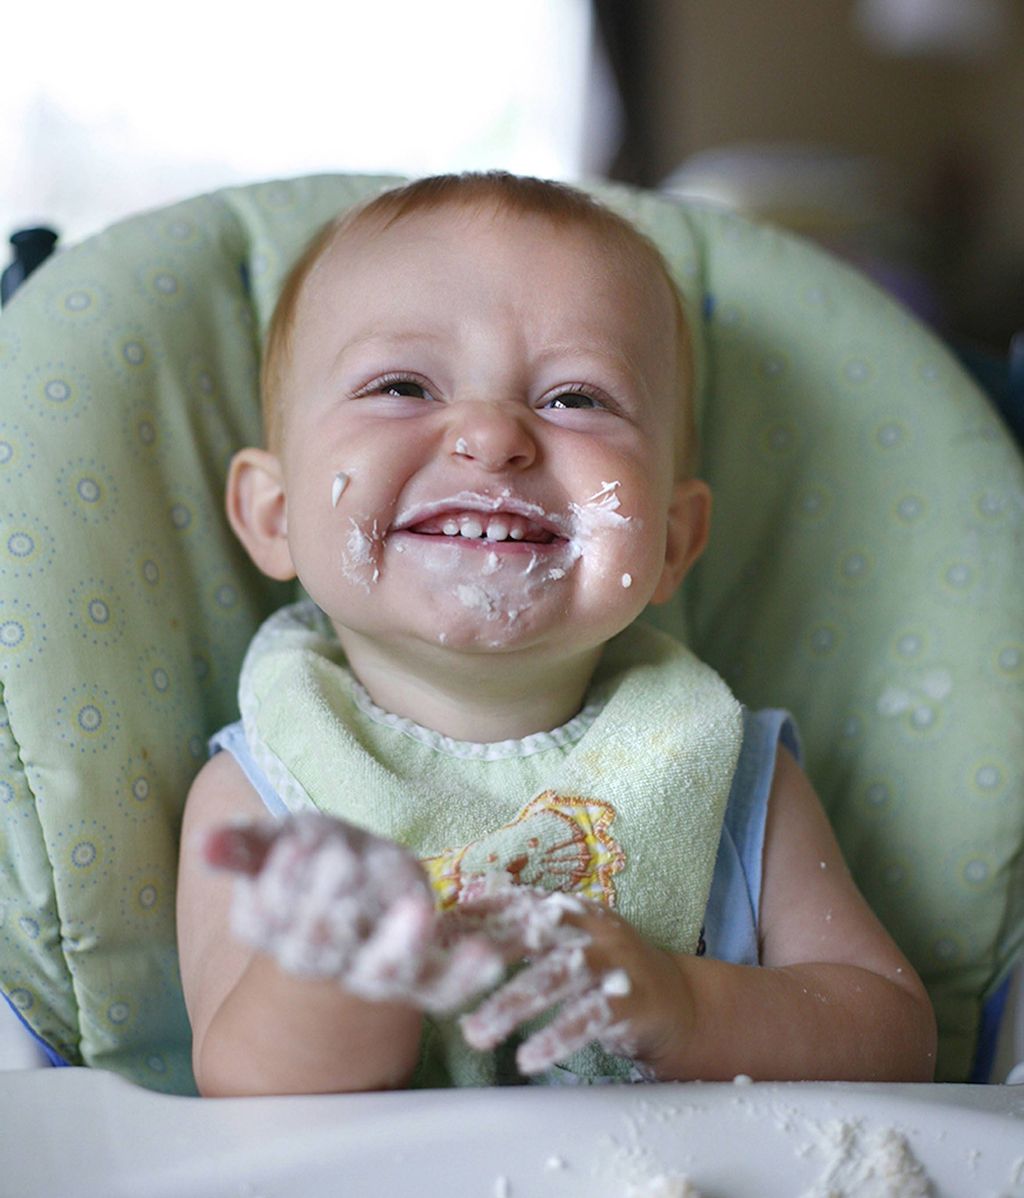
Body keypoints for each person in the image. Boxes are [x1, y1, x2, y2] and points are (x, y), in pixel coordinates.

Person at [176, 172, 936, 1097]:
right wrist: (343, 964)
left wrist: (692, 1009)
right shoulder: (262, 794)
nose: (493, 436)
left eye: (576, 399)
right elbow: (241, 1091)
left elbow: (892, 1037)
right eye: (404, 385)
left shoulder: (727, 772)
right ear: (274, 514)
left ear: (671, 541)